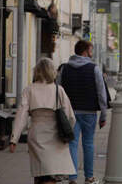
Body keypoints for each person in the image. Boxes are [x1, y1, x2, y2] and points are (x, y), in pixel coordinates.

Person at [10, 58, 76, 184]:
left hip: (37, 134)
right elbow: (71, 116)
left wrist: (14, 138)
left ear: (37, 71)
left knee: (39, 171)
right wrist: (67, 132)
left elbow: (21, 116)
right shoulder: (58, 90)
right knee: (51, 174)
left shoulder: (29, 90)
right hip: (56, 135)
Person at [58, 40, 108, 184]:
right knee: (88, 143)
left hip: (70, 112)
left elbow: (58, 91)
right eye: (91, 50)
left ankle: (72, 178)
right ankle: (89, 178)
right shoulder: (94, 69)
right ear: (85, 51)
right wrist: (103, 115)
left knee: (72, 144)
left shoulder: (64, 69)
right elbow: (101, 94)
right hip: (89, 112)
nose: (92, 53)